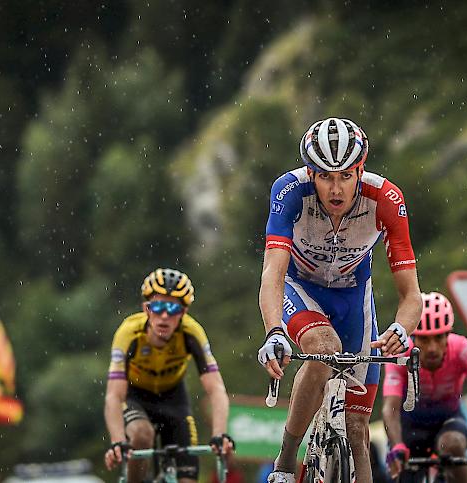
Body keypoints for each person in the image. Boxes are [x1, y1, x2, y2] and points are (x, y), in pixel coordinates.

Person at [257, 117, 423, 483]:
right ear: (310, 173)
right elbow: (272, 273)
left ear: (360, 172)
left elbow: (411, 294)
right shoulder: (289, 190)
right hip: (299, 288)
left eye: (346, 176)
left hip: (353, 297)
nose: (336, 189)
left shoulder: (386, 199)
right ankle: (285, 462)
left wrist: (401, 328)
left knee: (358, 428)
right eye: (326, 177)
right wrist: (273, 331)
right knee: (322, 348)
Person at [103, 268, 234, 483]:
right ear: (146, 308)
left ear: (183, 313)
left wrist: (219, 435)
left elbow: (216, 389)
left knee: (188, 479)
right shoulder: (128, 333)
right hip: (136, 397)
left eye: (173, 308)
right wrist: (118, 441)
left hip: (174, 399)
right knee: (142, 435)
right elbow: (114, 396)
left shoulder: (192, 333)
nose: (164, 316)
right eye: (158, 306)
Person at [382, 291, 467, 482]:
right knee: (402, 475)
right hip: (410, 427)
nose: (432, 348)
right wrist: (397, 445)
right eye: (424, 339)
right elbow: (391, 407)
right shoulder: (400, 355)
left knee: (453, 445)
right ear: (413, 337)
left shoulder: (464, 349)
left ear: (449, 334)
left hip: (449, 421)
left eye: (438, 338)